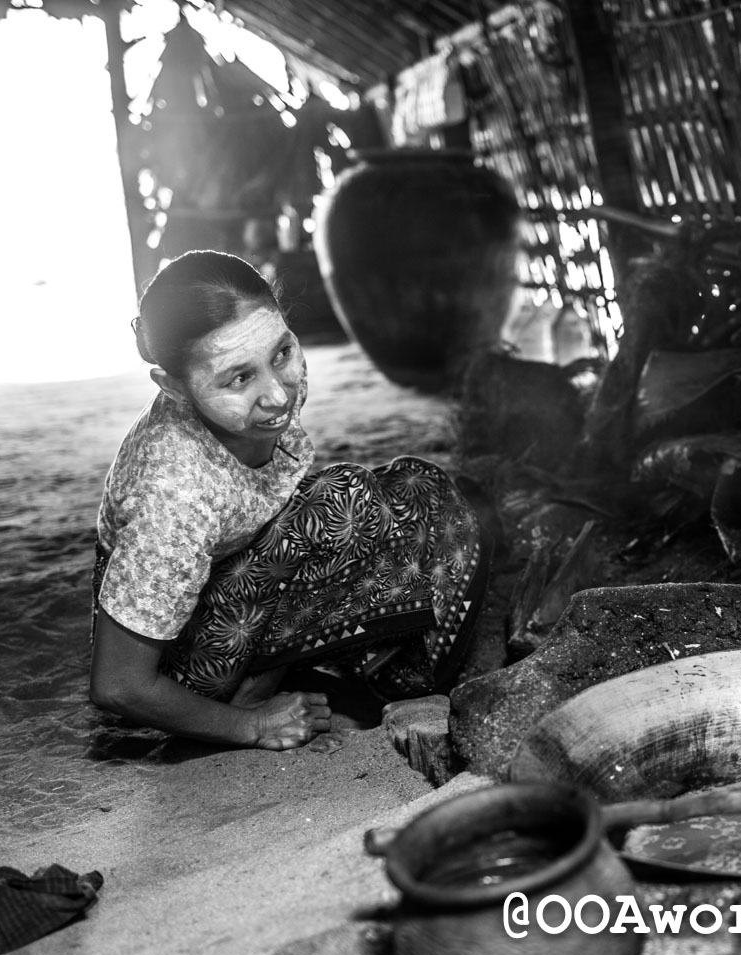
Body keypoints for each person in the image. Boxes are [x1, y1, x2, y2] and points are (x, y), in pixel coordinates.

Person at [89, 250, 485, 750]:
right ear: (175, 388)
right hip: (184, 670)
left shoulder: (259, 393)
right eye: (239, 378)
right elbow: (118, 684)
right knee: (346, 499)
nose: (278, 395)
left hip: (236, 586)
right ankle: (253, 699)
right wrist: (252, 727)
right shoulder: (172, 494)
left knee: (418, 485)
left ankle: (343, 670)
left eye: (281, 353)